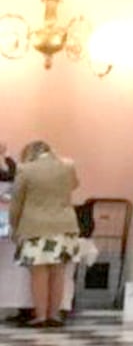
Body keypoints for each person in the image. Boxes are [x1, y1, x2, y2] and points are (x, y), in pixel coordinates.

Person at [7, 139, 81, 329]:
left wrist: (14, 226)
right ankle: (54, 315)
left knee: (39, 272)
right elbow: (74, 186)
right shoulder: (68, 166)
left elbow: (17, 202)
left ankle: (40, 316)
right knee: (58, 272)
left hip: (35, 227)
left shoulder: (25, 170)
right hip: (65, 226)